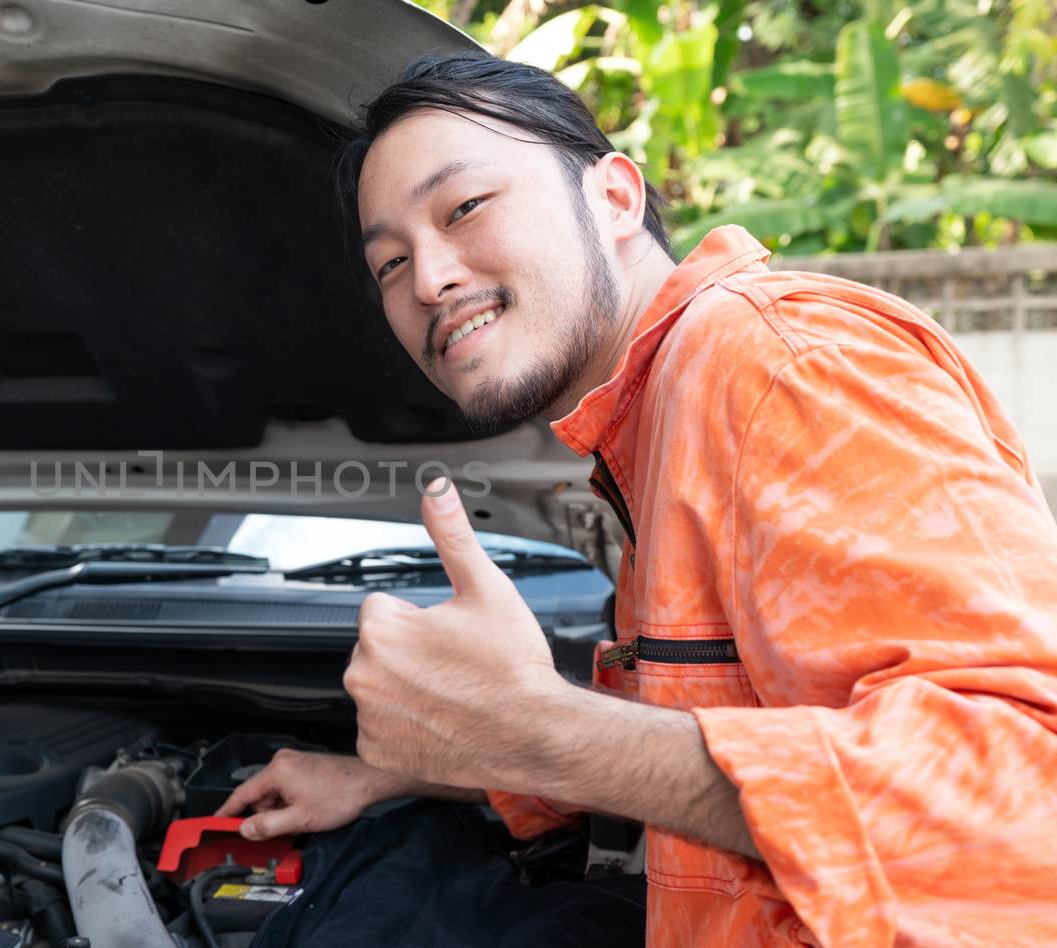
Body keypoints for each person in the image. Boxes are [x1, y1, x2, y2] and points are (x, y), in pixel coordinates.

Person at [217, 50, 1057, 947]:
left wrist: (532, 730)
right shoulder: (654, 425)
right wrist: (409, 772)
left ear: (615, 197)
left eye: (464, 208)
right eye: (389, 262)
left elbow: (1023, 802)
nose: (428, 280)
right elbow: (690, 739)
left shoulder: (777, 365)